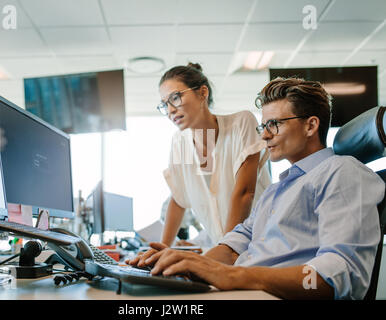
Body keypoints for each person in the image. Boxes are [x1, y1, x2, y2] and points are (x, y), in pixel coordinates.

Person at [129, 77, 385, 300]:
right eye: (264, 126)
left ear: (311, 125)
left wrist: (235, 275)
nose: (264, 136)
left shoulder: (341, 172)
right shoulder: (276, 191)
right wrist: (188, 261)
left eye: (274, 124)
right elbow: (232, 248)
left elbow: (339, 274)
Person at [156, 63, 271, 248]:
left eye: (175, 98)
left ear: (203, 93)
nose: (170, 110)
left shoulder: (241, 123)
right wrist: (162, 248)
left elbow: (244, 194)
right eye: (164, 104)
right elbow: (179, 199)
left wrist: (226, 250)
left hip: (263, 245)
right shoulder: (181, 142)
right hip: (226, 250)